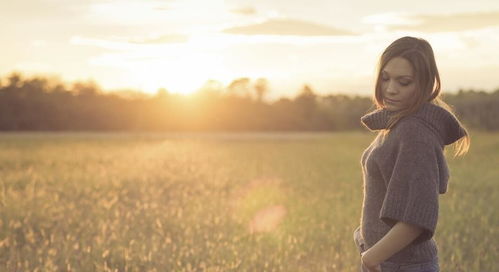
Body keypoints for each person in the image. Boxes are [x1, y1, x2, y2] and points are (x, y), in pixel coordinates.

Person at [353, 36, 470, 272]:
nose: (390, 89)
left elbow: (416, 218)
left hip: (400, 265)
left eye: (403, 81)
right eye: (385, 78)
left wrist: (370, 258)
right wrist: (364, 234)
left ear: (426, 84)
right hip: (390, 260)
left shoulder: (415, 132)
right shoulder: (398, 123)